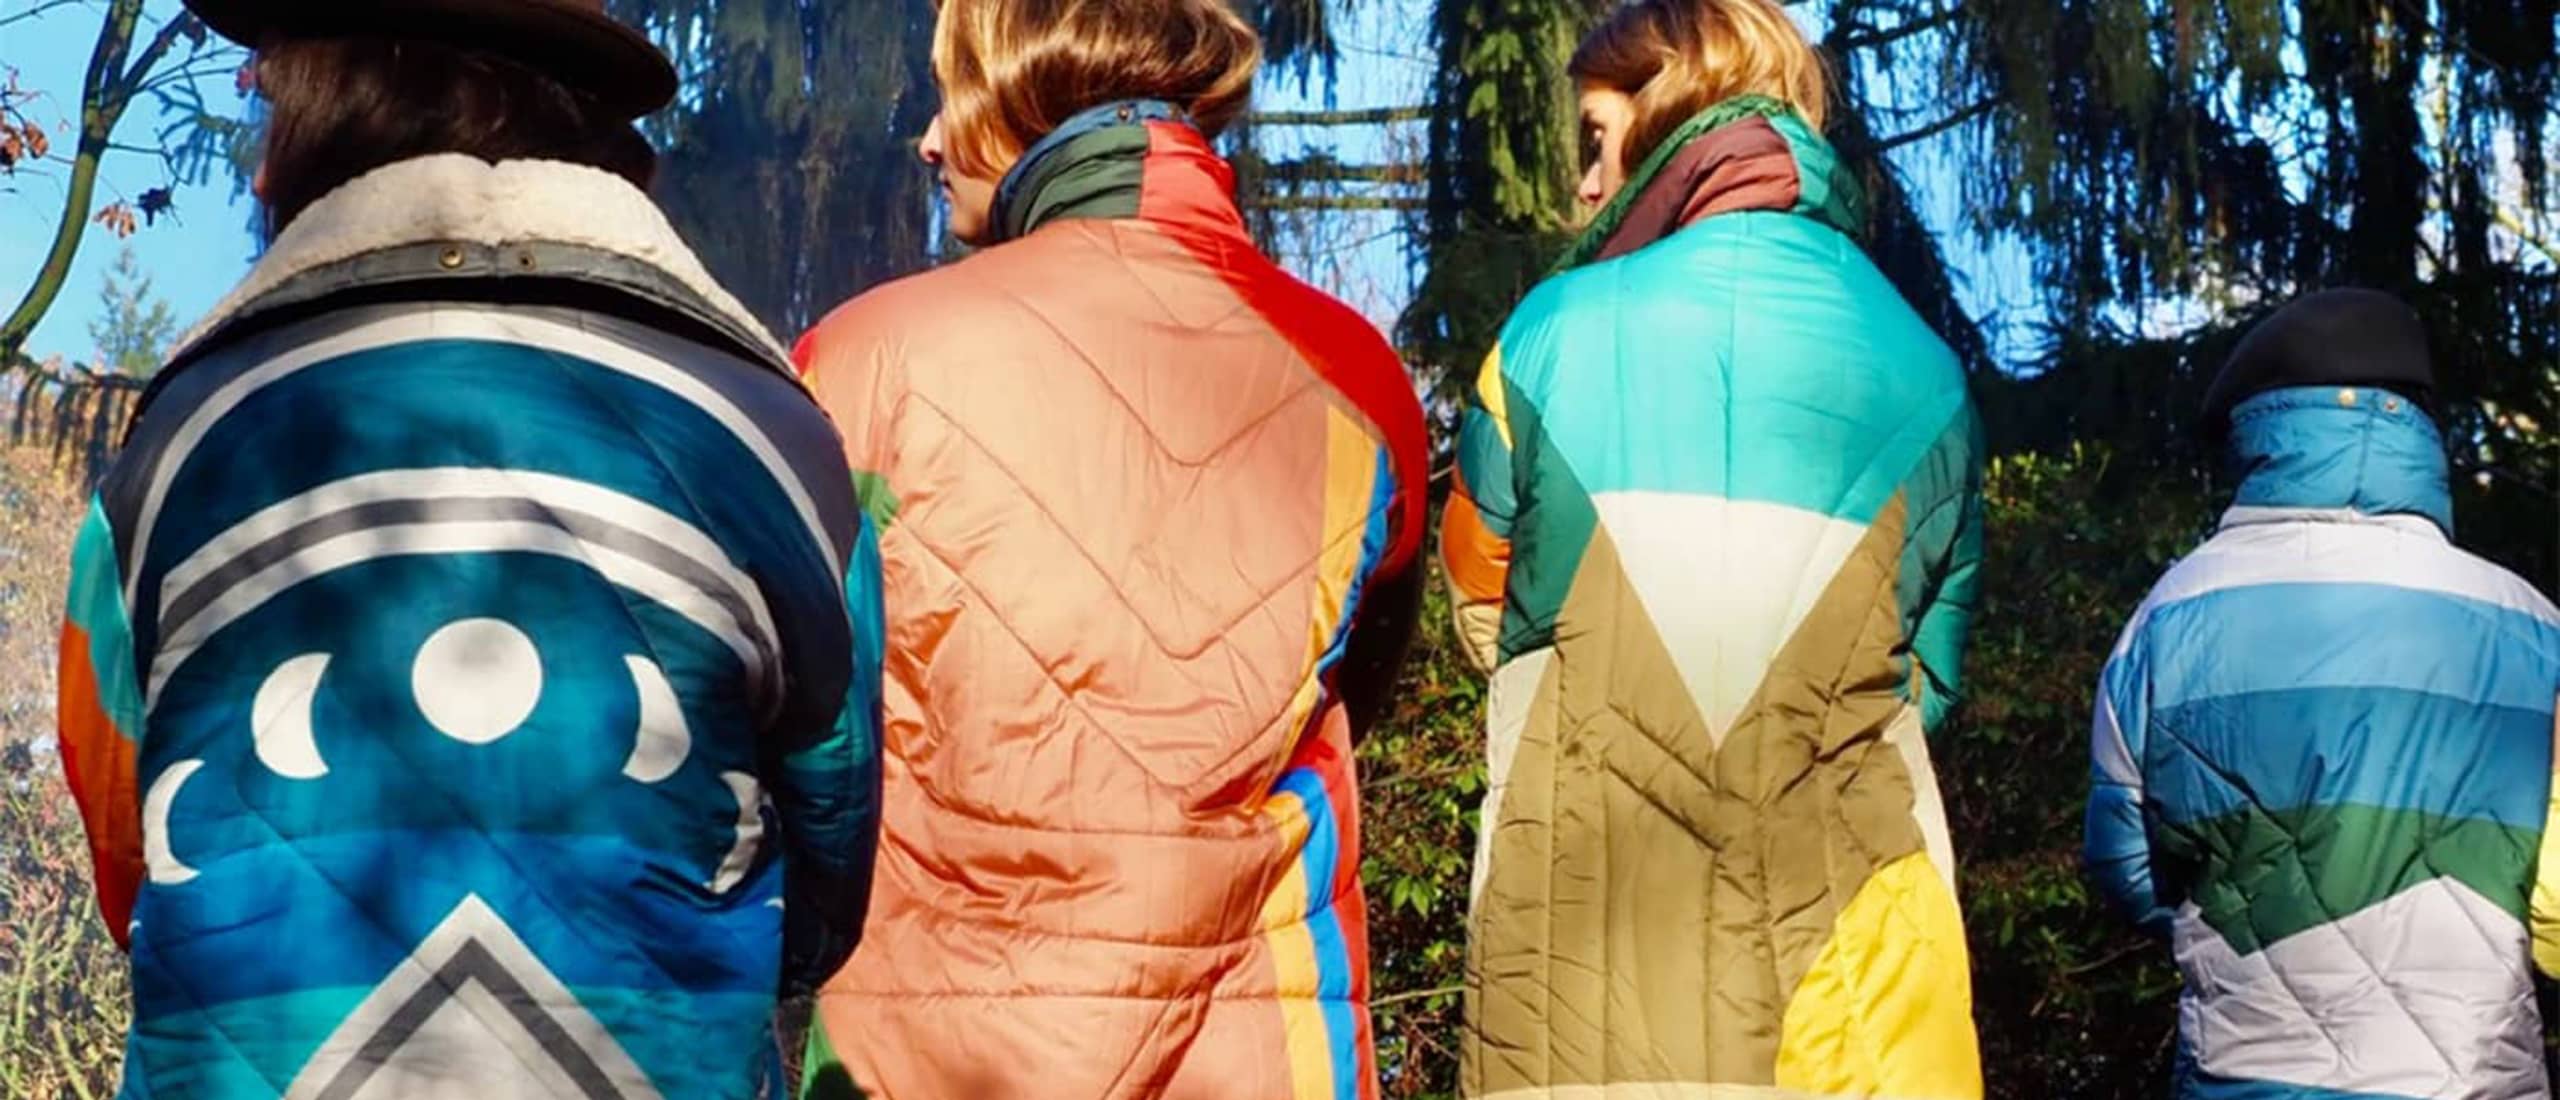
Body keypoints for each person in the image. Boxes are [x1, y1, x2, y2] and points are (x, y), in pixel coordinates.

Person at [53, 1, 883, 1096]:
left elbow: (124, 849)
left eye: (277, 112)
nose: (257, 176)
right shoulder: (771, 441)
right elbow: (830, 858)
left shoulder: (175, 449)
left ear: (346, 111)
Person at [789, 0, 1430, 1096]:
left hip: (929, 1060)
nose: (930, 141)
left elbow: (805, 731)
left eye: (951, 97)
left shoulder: (861, 358)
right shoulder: (1352, 371)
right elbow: (1362, 682)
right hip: (1259, 1058)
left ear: (1026, 90)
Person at [1439, 1, 1987, 1096]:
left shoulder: (1546, 336)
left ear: (1668, 111)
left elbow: (1480, 613)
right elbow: (1924, 684)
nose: (1584, 187)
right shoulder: (1930, 370)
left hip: (1576, 995)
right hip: (1856, 1010)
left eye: (1596, 139)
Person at [2085, 289, 2560, 1099]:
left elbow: (2124, 863)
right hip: (2477, 1077)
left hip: (2244, 1071)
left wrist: (2246, 939)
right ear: (2421, 431)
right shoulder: (2532, 624)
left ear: (2255, 433)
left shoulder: (2169, 615)